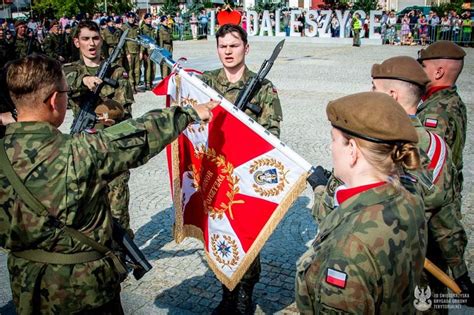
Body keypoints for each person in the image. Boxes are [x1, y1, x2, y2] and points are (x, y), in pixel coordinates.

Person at [0, 53, 215, 314]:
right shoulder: (80, 152)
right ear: (55, 100)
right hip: (85, 292)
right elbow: (137, 134)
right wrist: (190, 113)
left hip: (26, 289)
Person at [296, 92, 426, 313]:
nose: (330, 148)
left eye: (334, 139)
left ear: (353, 151)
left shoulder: (348, 248)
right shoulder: (409, 197)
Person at [371, 56, 474, 308]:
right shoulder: (436, 145)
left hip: (385, 267)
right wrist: (459, 272)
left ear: (392, 95)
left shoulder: (375, 147)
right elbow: (445, 216)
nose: (370, 94)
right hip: (426, 260)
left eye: (374, 89)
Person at [201, 24, 282, 314]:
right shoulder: (206, 83)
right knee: (219, 235)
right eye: (223, 46)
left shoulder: (262, 88)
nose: (228, 51)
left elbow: (273, 134)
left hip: (245, 177)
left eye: (234, 46)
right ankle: (227, 294)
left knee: (246, 236)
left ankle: (245, 295)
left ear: (246, 48)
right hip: (215, 172)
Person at [64, 21, 135, 237]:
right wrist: (84, 79)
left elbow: (125, 111)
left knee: (117, 209)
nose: (91, 43)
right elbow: (64, 85)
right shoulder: (70, 71)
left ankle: (125, 256)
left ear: (101, 40)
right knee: (85, 207)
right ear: (77, 42)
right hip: (83, 149)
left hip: (112, 147)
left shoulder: (116, 72)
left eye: (95, 38)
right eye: (85, 39)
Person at [417, 41, 474, 301]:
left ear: (438, 72)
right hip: (445, 203)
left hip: (434, 215)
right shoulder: (451, 100)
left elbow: (431, 176)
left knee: (426, 291)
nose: (419, 73)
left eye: (423, 67)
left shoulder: (436, 113)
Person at [122, 12, 142, 93]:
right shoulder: (124, 27)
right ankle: (131, 86)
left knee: (137, 70)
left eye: (133, 17)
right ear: (127, 18)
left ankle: (136, 85)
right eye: (130, 18)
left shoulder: (137, 28)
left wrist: (141, 52)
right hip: (129, 52)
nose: (132, 19)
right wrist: (127, 53)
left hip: (137, 51)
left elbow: (140, 40)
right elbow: (123, 42)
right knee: (130, 70)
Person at [140, 13, 157, 90]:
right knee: (148, 67)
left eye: (150, 19)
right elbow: (142, 41)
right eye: (148, 19)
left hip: (153, 50)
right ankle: (147, 83)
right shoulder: (143, 28)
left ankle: (151, 82)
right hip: (147, 51)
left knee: (153, 67)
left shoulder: (153, 28)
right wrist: (143, 52)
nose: (149, 20)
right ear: (145, 20)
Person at [158, 15, 173, 80]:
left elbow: (171, 39)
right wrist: (161, 50)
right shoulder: (160, 29)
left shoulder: (168, 29)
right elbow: (160, 40)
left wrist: (172, 48)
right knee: (164, 64)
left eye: (167, 20)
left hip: (169, 47)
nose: (166, 22)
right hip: (164, 46)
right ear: (161, 22)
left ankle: (169, 77)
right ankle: (164, 78)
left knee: (169, 63)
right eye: (165, 21)